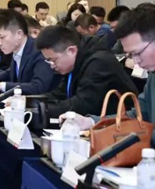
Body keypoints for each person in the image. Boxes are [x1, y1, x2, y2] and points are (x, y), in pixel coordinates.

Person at [64, 8, 155, 138]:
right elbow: (137, 115)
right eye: (130, 55)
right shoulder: (153, 76)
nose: (135, 61)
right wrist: (91, 121)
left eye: (137, 53)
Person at [35, 26, 137, 120]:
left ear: (71, 51)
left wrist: (43, 110)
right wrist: (32, 103)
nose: (52, 65)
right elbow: (60, 94)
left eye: (53, 60)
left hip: (122, 123)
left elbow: (83, 105)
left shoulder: (98, 62)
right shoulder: (76, 61)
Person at [0, 10, 59, 94]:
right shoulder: (19, 48)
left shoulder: (40, 51)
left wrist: (0, 86)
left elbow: (38, 86)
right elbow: (11, 73)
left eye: (1, 37)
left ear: (19, 34)